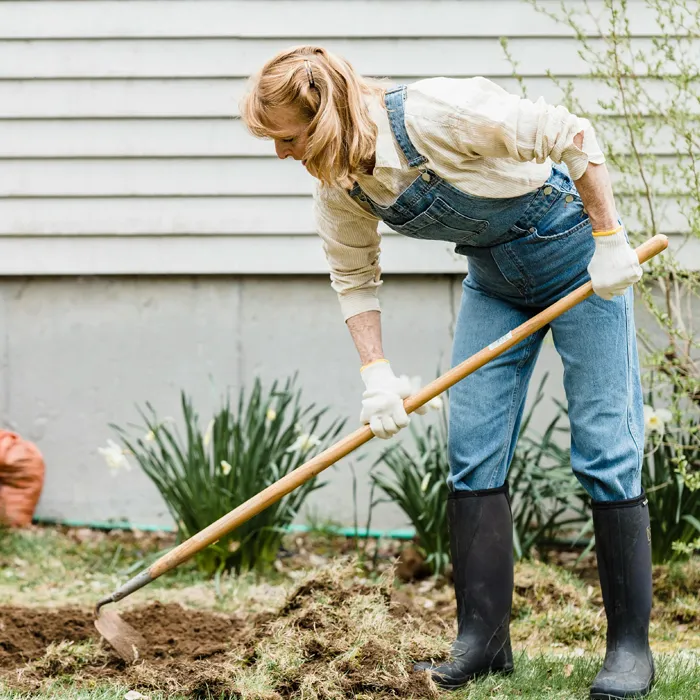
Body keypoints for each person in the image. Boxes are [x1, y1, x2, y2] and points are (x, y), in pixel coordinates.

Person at [240, 45, 654, 699]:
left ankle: (630, 650)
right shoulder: (342, 180)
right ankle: (483, 644)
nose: (281, 152)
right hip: (495, 282)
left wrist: (608, 239)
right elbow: (353, 276)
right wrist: (375, 373)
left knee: (606, 447)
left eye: (286, 138)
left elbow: (571, 133)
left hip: (580, 263)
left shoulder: (436, 112)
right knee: (473, 453)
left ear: (319, 119)